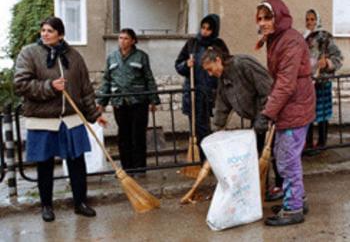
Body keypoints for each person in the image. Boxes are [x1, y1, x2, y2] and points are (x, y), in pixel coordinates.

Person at [15, 17, 106, 222]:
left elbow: (86, 90)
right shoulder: (29, 53)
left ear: (61, 35)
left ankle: (80, 203)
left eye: (49, 31)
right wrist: (50, 86)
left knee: (77, 163)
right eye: (43, 30)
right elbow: (20, 85)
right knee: (45, 165)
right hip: (43, 120)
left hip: (71, 119)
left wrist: (94, 116)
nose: (44, 34)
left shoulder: (74, 56)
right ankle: (46, 206)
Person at [255, 0, 316, 226]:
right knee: (285, 158)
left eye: (267, 18)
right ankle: (297, 198)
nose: (263, 23)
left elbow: (286, 83)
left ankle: (293, 209)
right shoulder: (276, 39)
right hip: (291, 105)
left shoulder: (290, 41)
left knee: (287, 160)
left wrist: (267, 112)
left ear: (279, 17)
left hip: (296, 105)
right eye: (260, 18)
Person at [200, 47, 283, 200]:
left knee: (277, 151)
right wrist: (216, 132)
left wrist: (263, 116)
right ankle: (262, 185)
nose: (209, 74)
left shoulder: (243, 64)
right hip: (256, 116)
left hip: (273, 111)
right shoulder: (223, 79)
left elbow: (267, 89)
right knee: (256, 152)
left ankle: (281, 186)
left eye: (210, 69)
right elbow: (222, 106)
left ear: (218, 60)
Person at [97, 28, 160, 177]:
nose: (122, 41)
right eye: (120, 38)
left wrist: (153, 100)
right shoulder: (112, 57)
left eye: (126, 38)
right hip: (119, 101)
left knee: (138, 135)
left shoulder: (141, 57)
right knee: (123, 136)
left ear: (133, 41)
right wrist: (102, 102)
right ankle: (126, 168)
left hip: (138, 101)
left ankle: (139, 168)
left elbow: (148, 78)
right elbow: (107, 79)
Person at [175, 14, 229, 162]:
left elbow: (225, 65)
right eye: (203, 28)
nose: (204, 31)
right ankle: (200, 159)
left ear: (214, 30)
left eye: (208, 29)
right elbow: (178, 65)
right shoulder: (192, 43)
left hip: (212, 93)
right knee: (197, 128)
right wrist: (186, 65)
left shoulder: (219, 45)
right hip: (194, 92)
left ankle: (213, 159)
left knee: (211, 127)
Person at [304, 9, 343, 148]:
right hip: (308, 83)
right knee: (307, 113)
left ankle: (322, 143)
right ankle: (308, 143)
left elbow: (338, 58)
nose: (310, 22)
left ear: (318, 20)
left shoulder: (326, 37)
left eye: (312, 19)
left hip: (322, 82)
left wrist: (327, 62)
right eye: (307, 19)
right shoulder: (304, 38)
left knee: (322, 113)